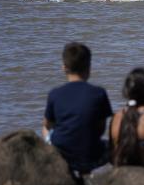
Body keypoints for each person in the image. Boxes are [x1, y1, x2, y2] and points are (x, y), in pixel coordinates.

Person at [43, 42, 113, 175]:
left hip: (63, 156)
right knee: (112, 147)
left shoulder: (55, 94)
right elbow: (101, 128)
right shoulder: (99, 93)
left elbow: (47, 125)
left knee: (47, 129)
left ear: (64, 67)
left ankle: (56, 161)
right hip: (91, 156)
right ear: (89, 67)